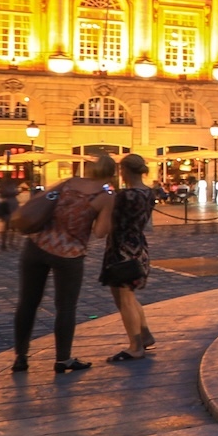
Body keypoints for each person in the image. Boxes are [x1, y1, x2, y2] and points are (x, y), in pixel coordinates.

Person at [12, 155, 116, 374]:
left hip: (37, 245)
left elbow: (40, 202)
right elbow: (99, 232)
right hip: (69, 254)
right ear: (111, 173)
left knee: (28, 302)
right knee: (66, 307)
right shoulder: (105, 196)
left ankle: (20, 356)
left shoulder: (67, 183)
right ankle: (63, 359)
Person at [99, 154, 156, 362]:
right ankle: (145, 335)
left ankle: (136, 346)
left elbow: (106, 225)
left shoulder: (125, 196)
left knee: (124, 298)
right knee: (127, 297)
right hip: (139, 247)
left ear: (125, 171)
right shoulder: (149, 193)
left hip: (121, 249)